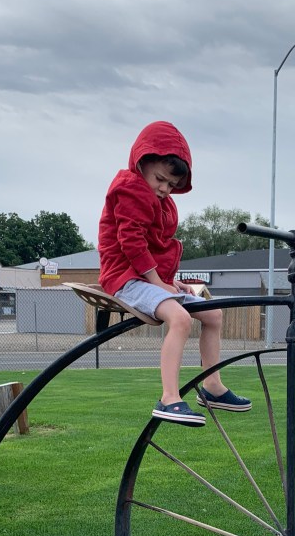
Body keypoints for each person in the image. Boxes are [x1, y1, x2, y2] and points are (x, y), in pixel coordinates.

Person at [98, 120, 251, 426]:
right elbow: (132, 244)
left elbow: (155, 247)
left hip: (147, 279)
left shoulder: (160, 200)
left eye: (171, 185)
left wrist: (169, 283)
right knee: (180, 319)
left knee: (213, 314)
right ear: (141, 161)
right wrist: (158, 283)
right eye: (160, 179)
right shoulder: (130, 189)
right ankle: (169, 398)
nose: (165, 189)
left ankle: (212, 386)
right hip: (125, 278)